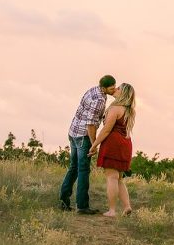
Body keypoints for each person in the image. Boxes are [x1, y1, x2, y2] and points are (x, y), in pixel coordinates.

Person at [58, 75, 117, 214]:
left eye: (114, 86)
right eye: (111, 88)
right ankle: (82, 206)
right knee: (83, 170)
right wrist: (93, 144)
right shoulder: (100, 100)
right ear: (104, 88)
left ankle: (63, 201)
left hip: (73, 132)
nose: (114, 89)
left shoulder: (93, 90)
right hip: (83, 136)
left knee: (73, 168)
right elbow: (91, 124)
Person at [88, 83, 136, 217]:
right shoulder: (129, 110)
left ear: (123, 93)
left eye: (119, 88)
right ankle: (127, 207)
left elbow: (106, 129)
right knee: (119, 178)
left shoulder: (115, 108)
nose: (116, 89)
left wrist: (94, 145)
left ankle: (112, 210)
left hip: (113, 143)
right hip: (126, 144)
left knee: (111, 177)